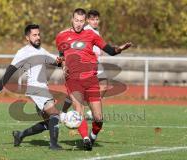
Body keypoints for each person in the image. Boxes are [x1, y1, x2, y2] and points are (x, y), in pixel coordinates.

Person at [56, 8, 132, 151]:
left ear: (85, 21)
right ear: (72, 19)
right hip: (73, 79)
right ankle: (85, 139)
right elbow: (61, 55)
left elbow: (110, 50)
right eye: (76, 20)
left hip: (91, 79)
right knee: (79, 110)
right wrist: (63, 65)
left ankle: (92, 136)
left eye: (81, 21)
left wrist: (120, 48)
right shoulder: (62, 36)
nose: (78, 24)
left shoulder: (91, 34)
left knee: (98, 118)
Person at [0, 24, 65, 150]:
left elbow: (56, 62)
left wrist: (62, 54)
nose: (38, 37)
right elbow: (11, 70)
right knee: (55, 115)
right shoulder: (23, 52)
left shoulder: (41, 51)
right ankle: (53, 145)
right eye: (34, 35)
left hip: (43, 88)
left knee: (50, 122)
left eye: (39, 34)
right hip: (36, 88)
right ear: (27, 37)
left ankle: (20, 135)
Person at [62, 9, 108, 116]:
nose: (95, 22)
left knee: (104, 85)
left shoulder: (95, 31)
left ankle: (91, 109)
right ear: (87, 20)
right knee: (75, 93)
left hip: (95, 65)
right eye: (92, 19)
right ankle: (64, 111)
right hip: (84, 66)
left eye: (97, 19)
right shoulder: (85, 30)